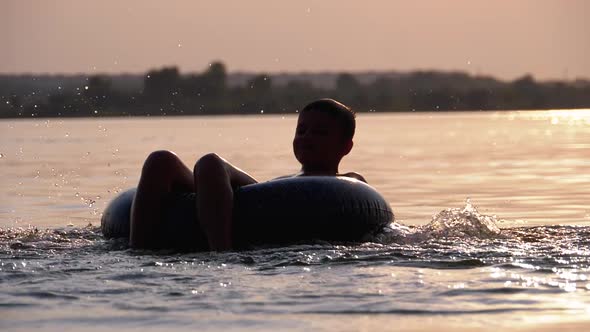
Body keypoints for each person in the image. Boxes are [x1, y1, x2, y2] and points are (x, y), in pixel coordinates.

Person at [129, 98, 366, 251]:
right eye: (301, 130)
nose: (306, 137)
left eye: (320, 132)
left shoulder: (350, 183)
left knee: (209, 162)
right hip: (257, 201)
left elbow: (362, 202)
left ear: (345, 147)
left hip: (276, 216)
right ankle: (137, 251)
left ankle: (221, 253)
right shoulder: (279, 186)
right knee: (163, 160)